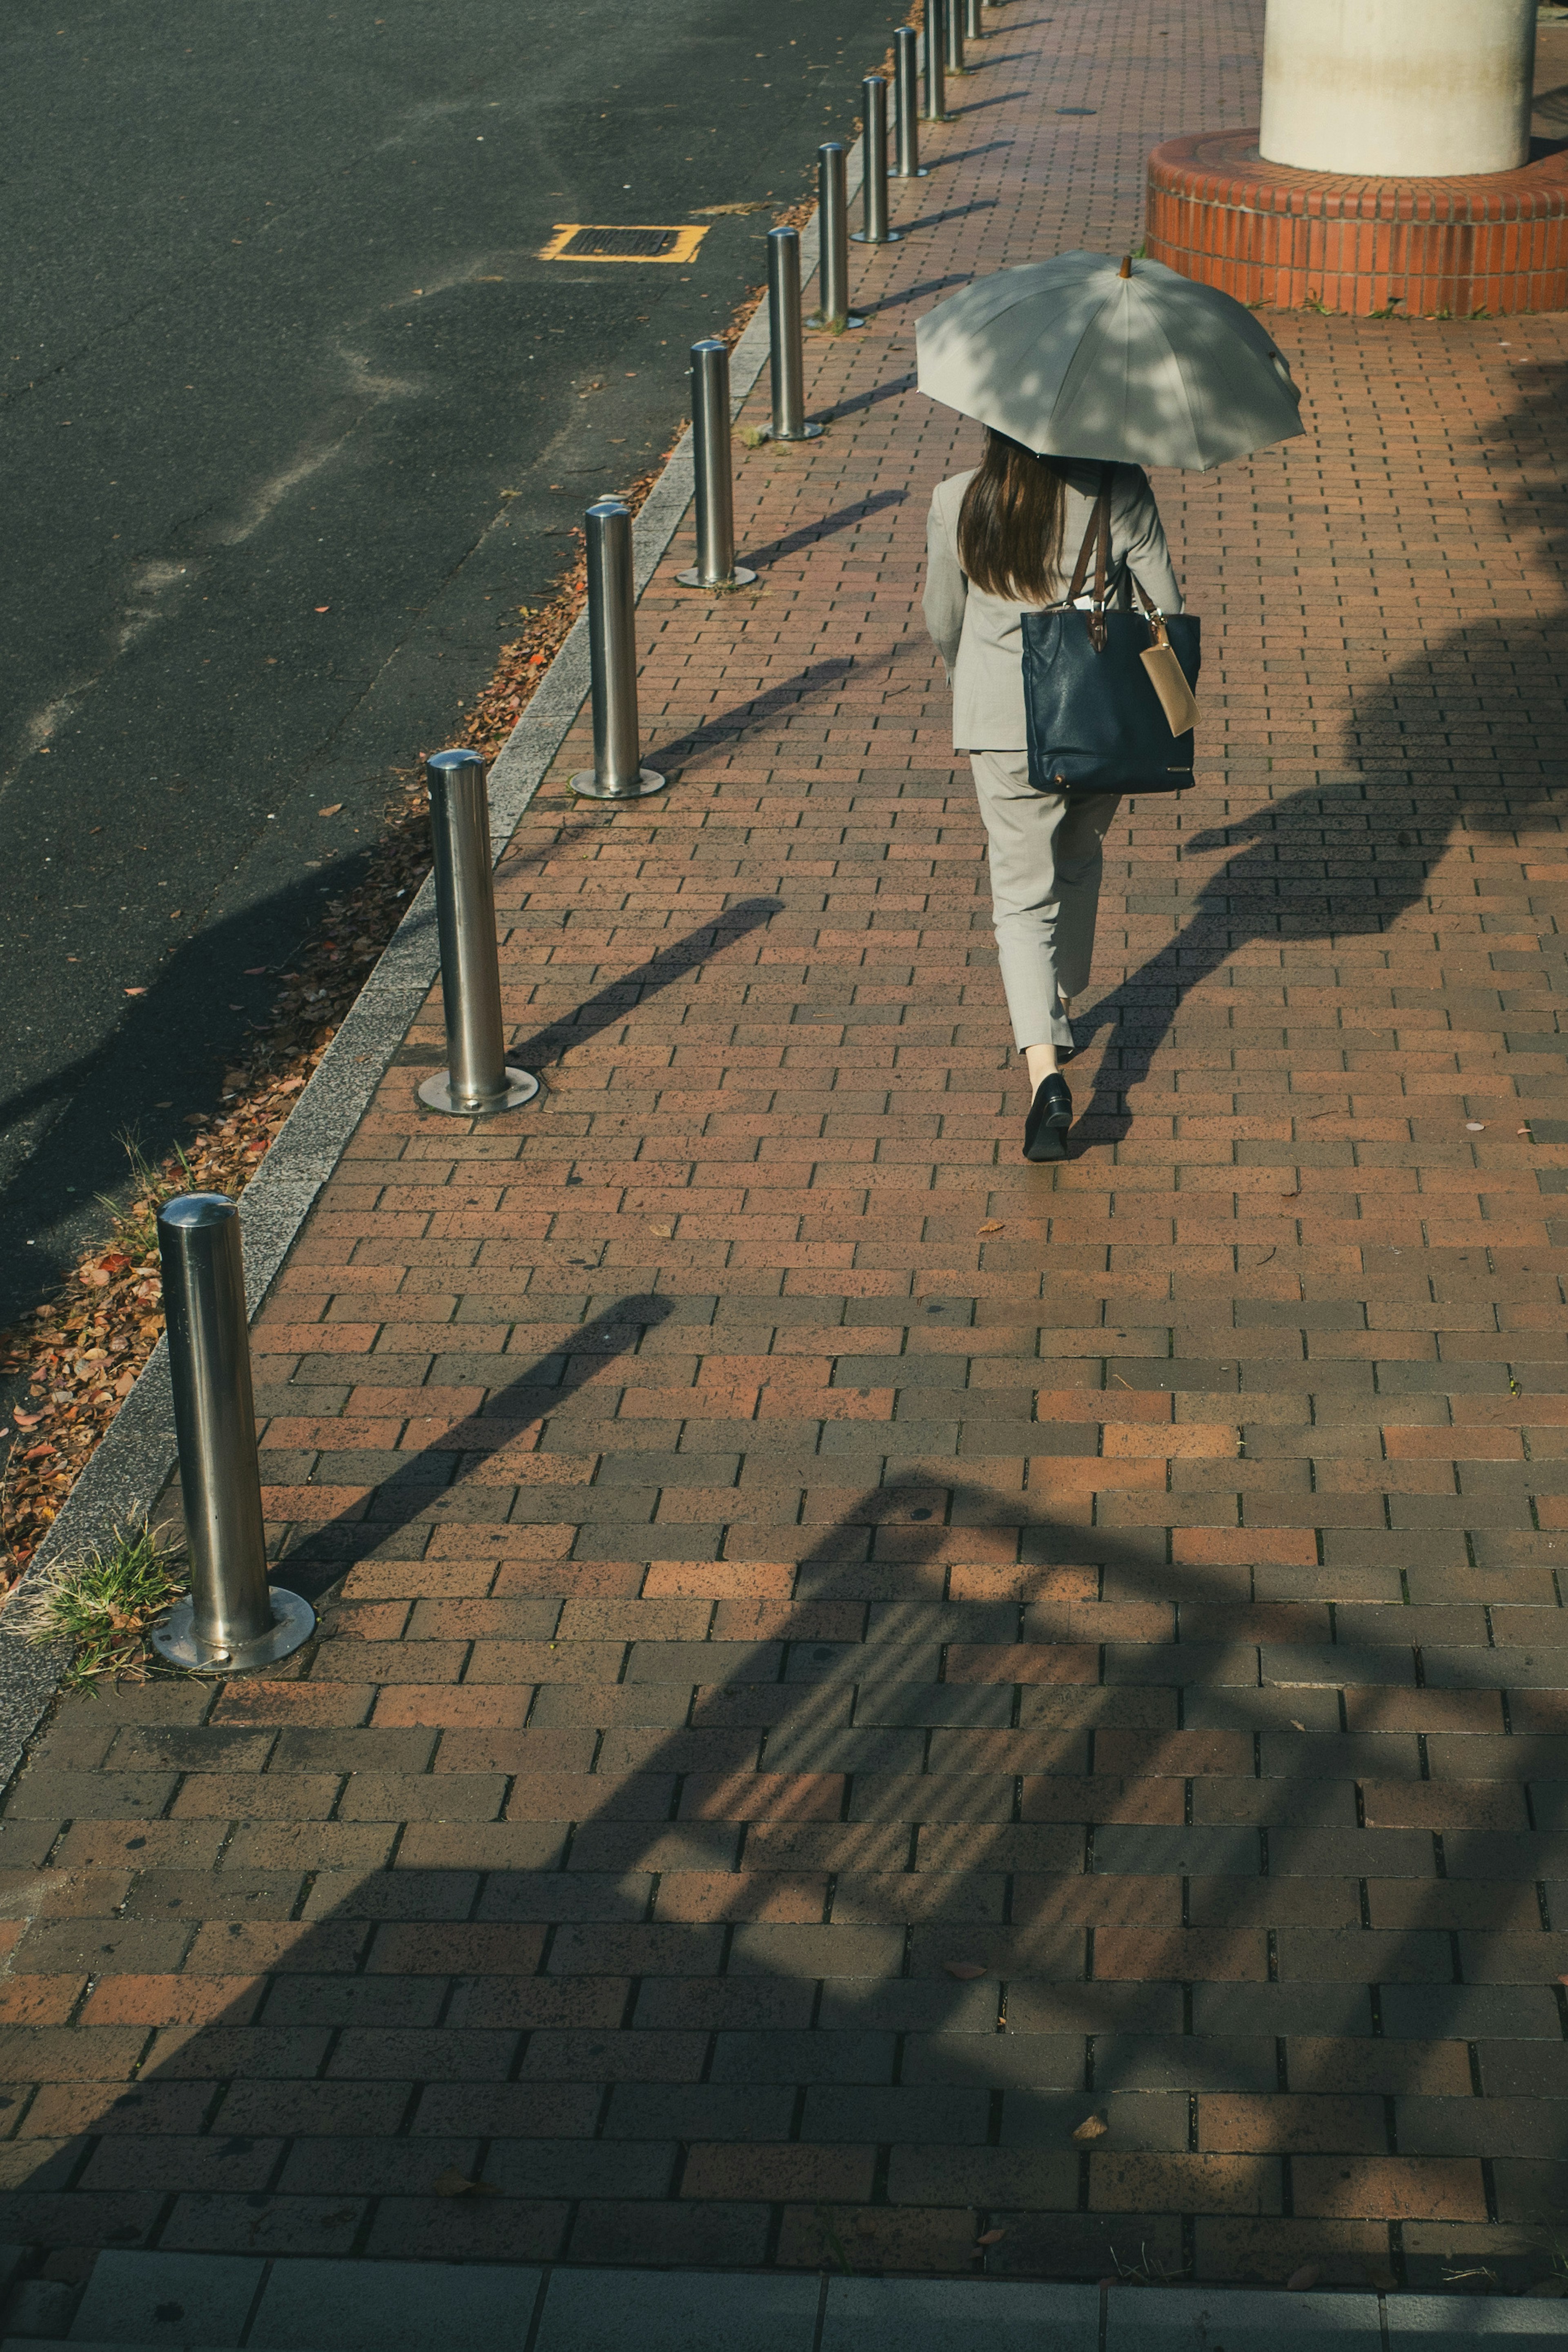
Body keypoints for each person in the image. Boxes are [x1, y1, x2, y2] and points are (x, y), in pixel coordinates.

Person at [923, 429, 1183, 1160]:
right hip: (1097, 717)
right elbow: (1168, 604)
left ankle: (1045, 1071)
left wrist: (964, 680)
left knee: (1020, 894)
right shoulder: (1119, 487)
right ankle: (1062, 996)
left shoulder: (959, 500)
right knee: (1078, 858)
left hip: (1002, 724)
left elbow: (943, 619)